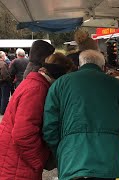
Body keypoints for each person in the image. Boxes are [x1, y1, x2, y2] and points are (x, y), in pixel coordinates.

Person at [43, 50, 119, 180]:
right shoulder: (115, 84)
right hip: (107, 157)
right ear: (103, 67)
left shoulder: (60, 84)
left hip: (72, 155)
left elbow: (49, 126)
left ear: (79, 65)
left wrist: (60, 150)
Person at [0, 48, 74, 179]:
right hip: (17, 166)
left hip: (14, 159)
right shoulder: (37, 89)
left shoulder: (35, 83)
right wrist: (38, 161)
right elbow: (23, 135)